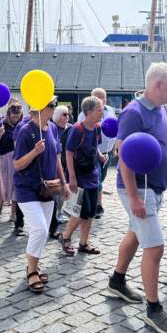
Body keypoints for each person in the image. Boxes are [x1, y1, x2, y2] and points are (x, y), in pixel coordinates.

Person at [108, 62, 167, 333]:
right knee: (155, 246)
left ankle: (116, 281)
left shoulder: (161, 108)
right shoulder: (133, 113)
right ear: (158, 85)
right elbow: (125, 158)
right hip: (137, 189)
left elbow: (163, 145)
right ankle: (154, 309)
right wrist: (135, 197)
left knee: (135, 236)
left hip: (155, 187)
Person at [14, 97, 70, 293]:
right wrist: (35, 152)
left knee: (44, 231)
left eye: (55, 105)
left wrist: (64, 183)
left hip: (48, 188)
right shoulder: (25, 131)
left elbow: (56, 158)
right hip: (26, 188)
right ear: (40, 109)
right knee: (40, 229)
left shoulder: (53, 128)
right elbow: (17, 164)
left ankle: (34, 267)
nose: (54, 109)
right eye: (52, 106)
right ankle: (31, 270)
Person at [59, 96, 104, 256]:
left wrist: (100, 156)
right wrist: (72, 177)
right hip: (78, 176)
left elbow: (95, 146)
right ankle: (65, 237)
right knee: (80, 211)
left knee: (90, 212)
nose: (102, 112)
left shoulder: (97, 127)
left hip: (92, 174)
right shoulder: (77, 129)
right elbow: (69, 153)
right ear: (89, 112)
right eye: (99, 109)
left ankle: (83, 243)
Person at [78, 88, 117, 218]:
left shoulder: (110, 110)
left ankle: (94, 202)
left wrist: (114, 148)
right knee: (97, 178)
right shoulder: (85, 113)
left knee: (102, 178)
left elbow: (115, 128)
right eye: (98, 97)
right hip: (93, 153)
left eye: (103, 97)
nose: (101, 100)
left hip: (108, 151)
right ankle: (98, 205)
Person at [0, 102, 24, 233]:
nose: (15, 118)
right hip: (4, 159)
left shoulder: (21, 126)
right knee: (4, 186)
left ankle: (13, 213)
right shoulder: (1, 125)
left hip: (16, 159)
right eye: (13, 116)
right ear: (9, 114)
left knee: (15, 186)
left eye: (18, 116)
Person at [52, 105, 72, 225]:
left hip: (68, 164)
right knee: (57, 192)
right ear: (58, 116)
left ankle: (60, 212)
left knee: (64, 190)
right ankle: (56, 214)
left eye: (68, 114)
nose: (67, 117)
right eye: (64, 114)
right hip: (57, 164)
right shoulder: (53, 129)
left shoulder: (70, 128)